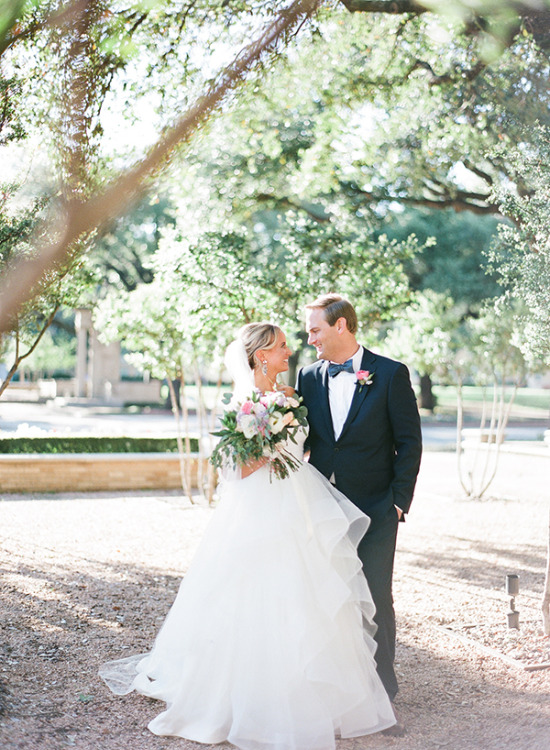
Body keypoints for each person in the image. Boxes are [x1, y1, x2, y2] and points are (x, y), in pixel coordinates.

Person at [99, 322, 396, 750]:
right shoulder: (241, 403)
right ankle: (245, 696)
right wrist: (270, 445)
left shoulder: (294, 396)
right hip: (257, 510)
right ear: (260, 356)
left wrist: (285, 438)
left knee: (309, 593)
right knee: (253, 595)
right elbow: (232, 470)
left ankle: (317, 694)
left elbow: (309, 446)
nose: (288, 351)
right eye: (280, 347)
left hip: (299, 505)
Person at [296, 294, 422, 732]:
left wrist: (398, 502)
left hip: (376, 507)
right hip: (322, 505)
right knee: (327, 595)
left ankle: (383, 694)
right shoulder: (308, 376)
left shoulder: (390, 374)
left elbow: (409, 441)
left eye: (315, 329)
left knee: (375, 597)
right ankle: (336, 690)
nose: (309, 338)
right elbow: (306, 439)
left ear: (342, 326)